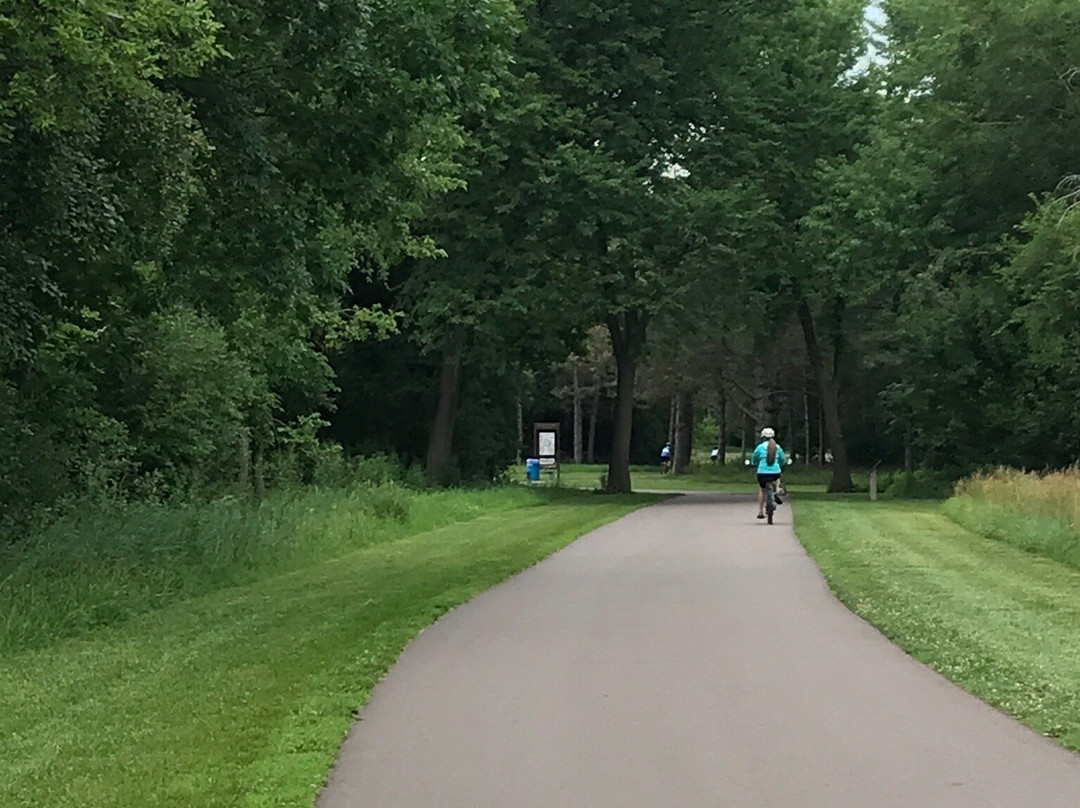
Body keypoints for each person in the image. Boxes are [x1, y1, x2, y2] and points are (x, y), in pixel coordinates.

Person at [752, 427, 786, 519]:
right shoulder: (777, 447)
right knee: (777, 478)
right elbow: (783, 459)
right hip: (775, 472)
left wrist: (754, 464)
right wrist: (781, 464)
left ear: (763, 437)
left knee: (762, 490)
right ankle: (777, 490)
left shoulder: (759, 447)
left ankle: (760, 512)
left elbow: (754, 459)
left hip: (762, 472)